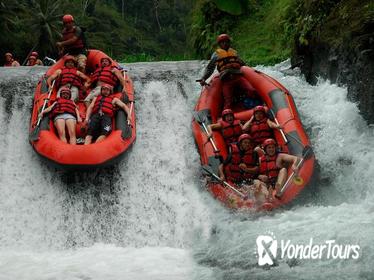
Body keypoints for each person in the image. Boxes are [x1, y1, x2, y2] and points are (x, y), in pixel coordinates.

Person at [197, 34, 257, 109]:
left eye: (226, 42)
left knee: (251, 90)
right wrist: (203, 78)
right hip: (226, 80)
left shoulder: (234, 52)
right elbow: (210, 68)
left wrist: (252, 71)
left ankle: (254, 107)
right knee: (228, 101)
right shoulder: (216, 55)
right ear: (219, 44)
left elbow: (242, 64)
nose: (225, 43)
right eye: (222, 42)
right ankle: (226, 116)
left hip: (238, 77)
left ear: (229, 43)